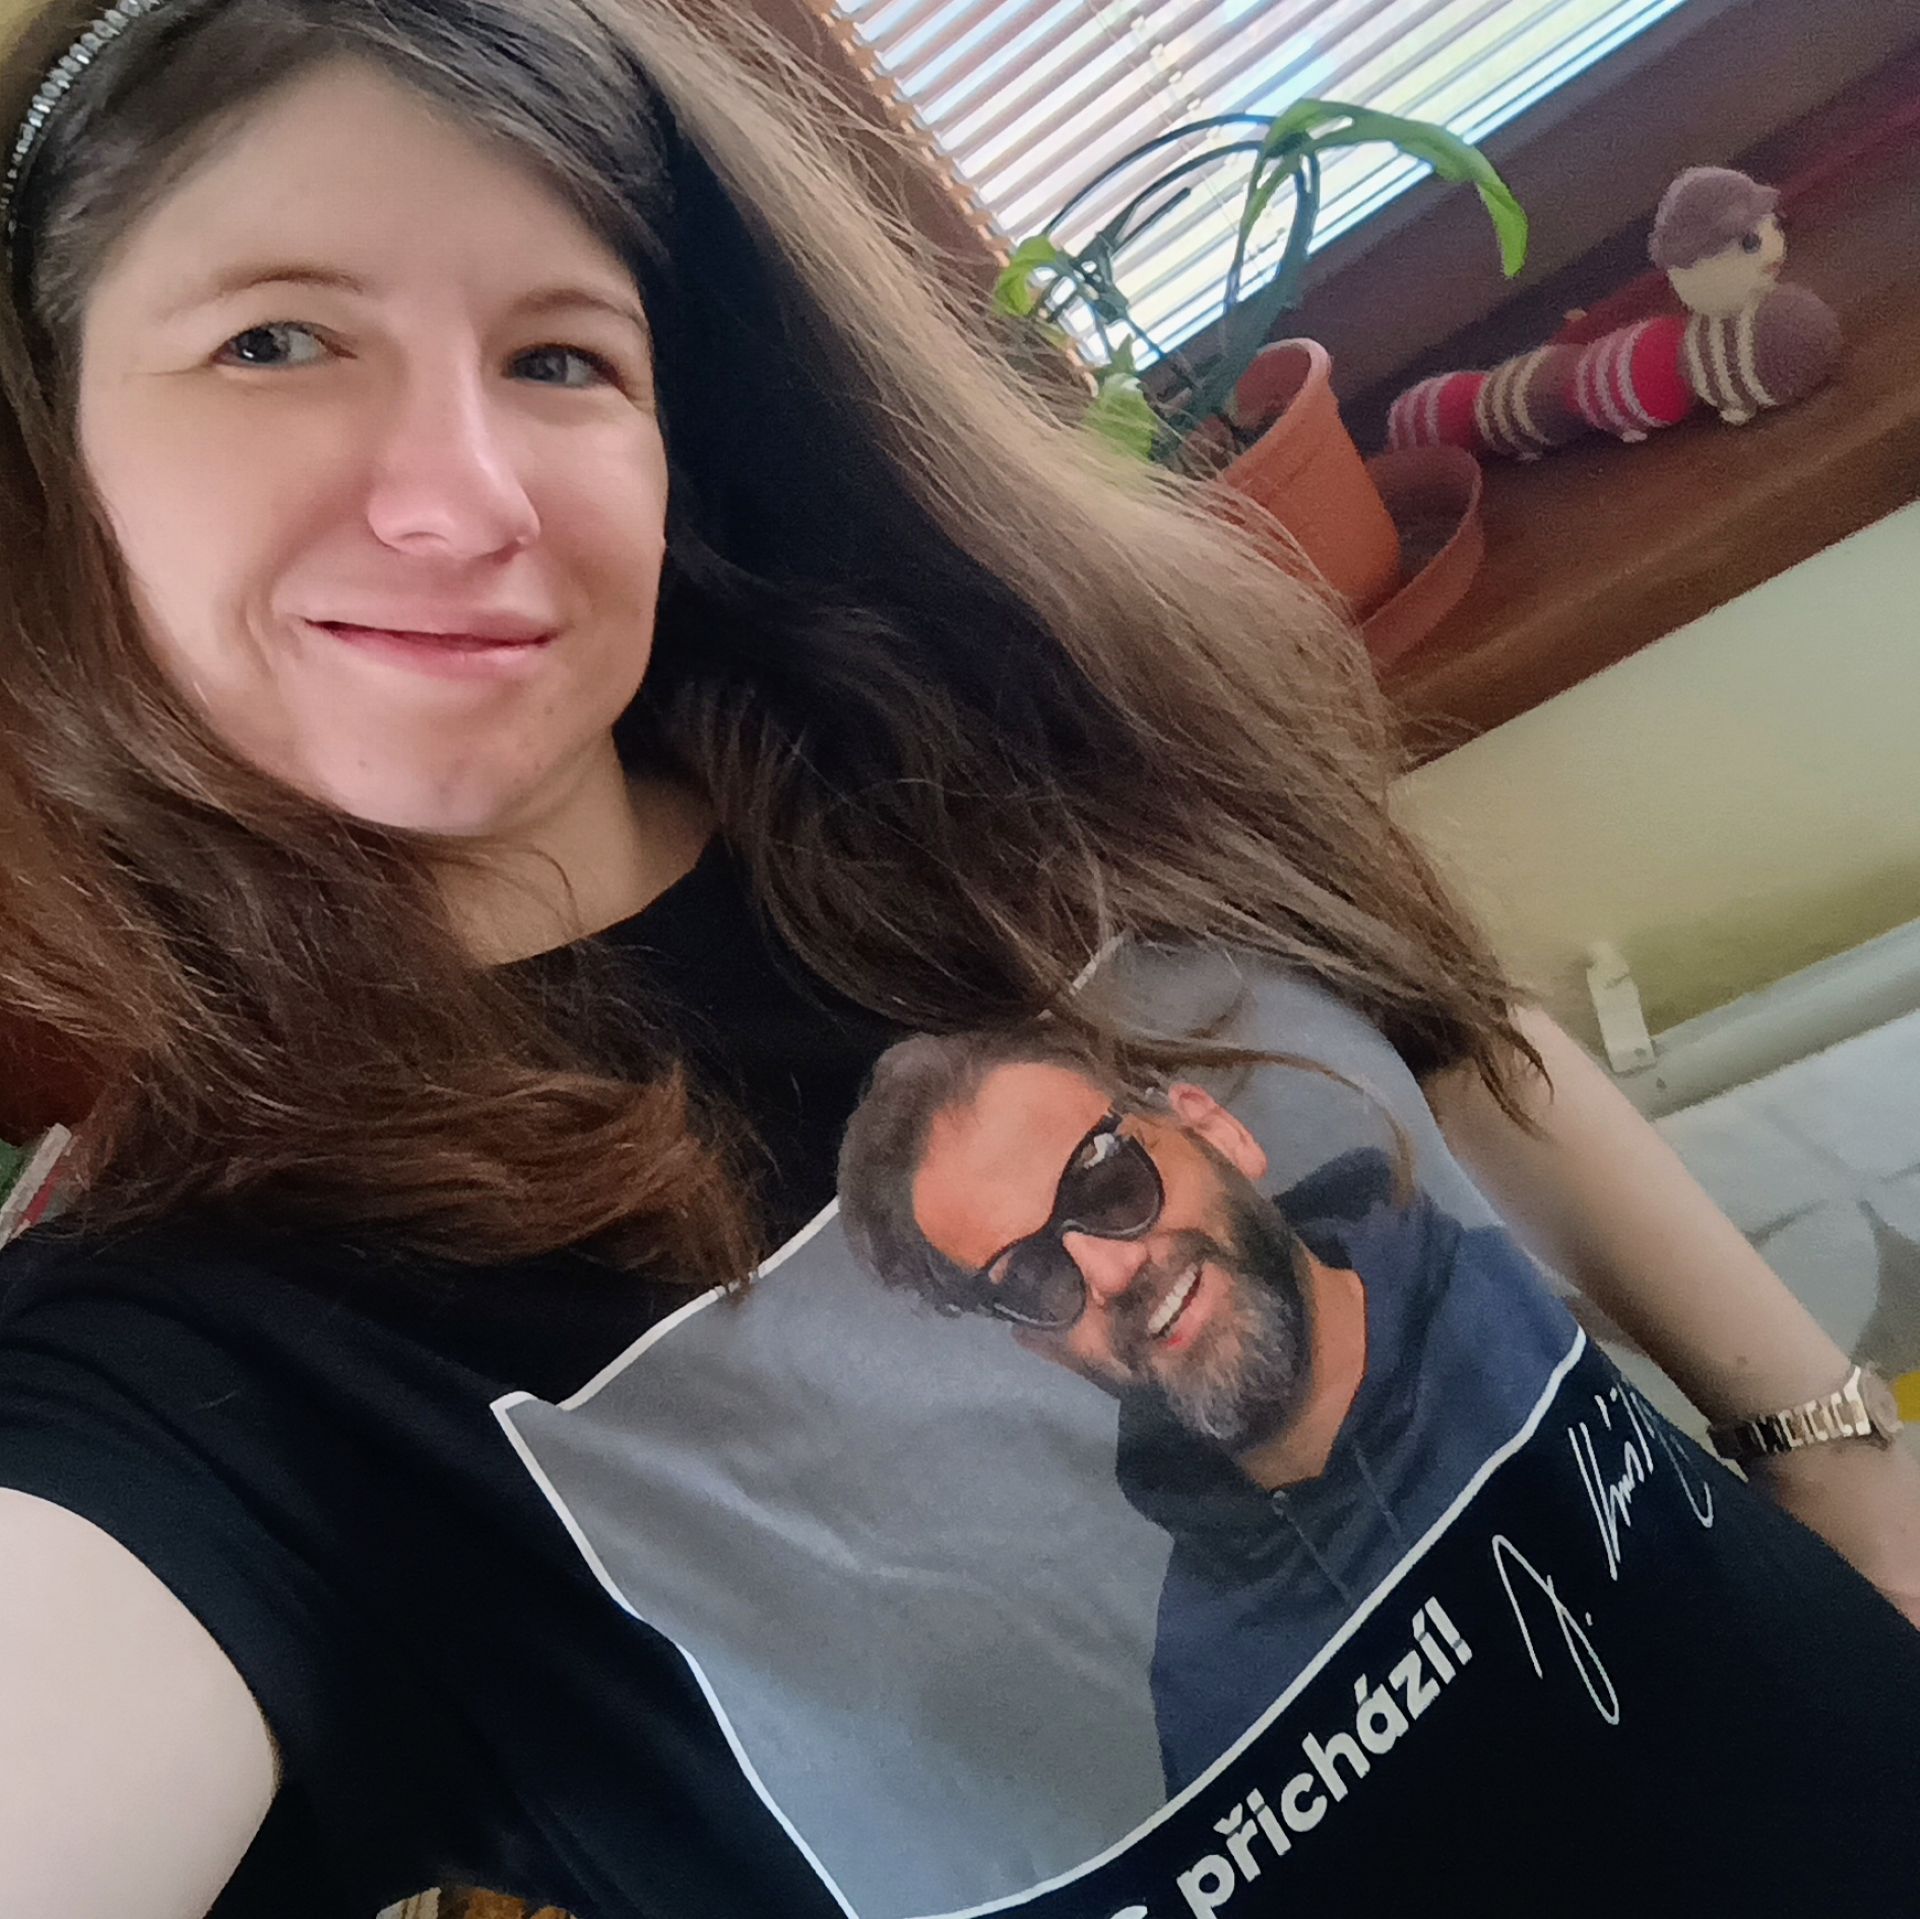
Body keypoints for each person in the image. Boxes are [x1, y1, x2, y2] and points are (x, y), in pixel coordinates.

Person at [0, 1, 1916, 1915]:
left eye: (560, 354)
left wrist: (1834, 1452)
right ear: (49, 460)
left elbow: (1433, 1026)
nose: (467, 493)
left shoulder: (994, 736)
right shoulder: (204, 1352)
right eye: (277, 339)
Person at [835, 1025, 1582, 1790]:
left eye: (1107, 1182)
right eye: (1032, 1277)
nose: (1111, 1272)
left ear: (1217, 1130)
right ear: (1042, 1347)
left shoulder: (1515, 1293)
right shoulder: (1214, 1687)